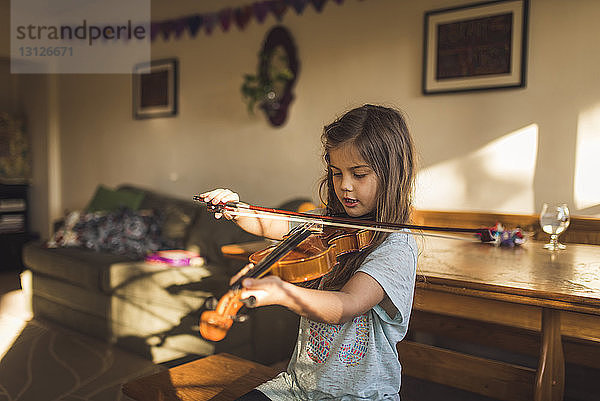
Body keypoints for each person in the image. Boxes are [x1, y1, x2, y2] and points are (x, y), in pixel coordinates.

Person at [198, 104, 418, 400]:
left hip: (361, 396)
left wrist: (282, 292)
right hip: (298, 388)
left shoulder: (396, 245)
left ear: (392, 174)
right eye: (337, 173)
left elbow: (347, 305)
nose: (345, 186)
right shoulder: (326, 224)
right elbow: (271, 224)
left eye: (359, 174)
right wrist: (237, 210)